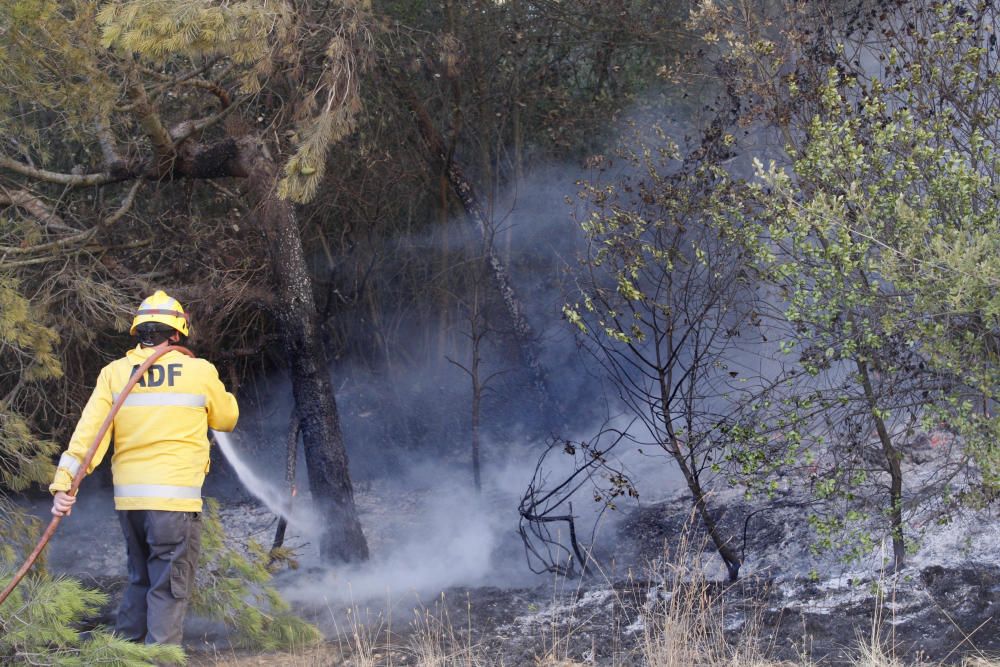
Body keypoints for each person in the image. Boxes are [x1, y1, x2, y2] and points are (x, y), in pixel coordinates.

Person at [49, 290, 239, 646]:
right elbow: (227, 419)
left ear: (139, 332)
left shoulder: (115, 374)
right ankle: (160, 660)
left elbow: (88, 436)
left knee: (140, 580)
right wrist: (219, 393)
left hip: (131, 504)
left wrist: (64, 485)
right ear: (177, 333)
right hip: (173, 504)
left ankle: (123, 653)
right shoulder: (199, 371)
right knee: (168, 588)